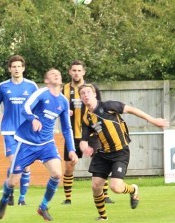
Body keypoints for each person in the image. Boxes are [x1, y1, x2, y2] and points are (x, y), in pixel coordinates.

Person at [78, 84, 169, 220]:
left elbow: (132, 110)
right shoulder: (87, 118)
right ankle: (103, 217)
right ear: (80, 98)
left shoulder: (108, 106)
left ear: (94, 94)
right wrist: (84, 147)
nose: (86, 95)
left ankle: (133, 190)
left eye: (88, 92)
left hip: (120, 152)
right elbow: (83, 139)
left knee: (116, 187)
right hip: (103, 154)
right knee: (96, 186)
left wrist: (153, 120)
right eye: (83, 93)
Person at [0, 68, 78, 221]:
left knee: (57, 174)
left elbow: (67, 128)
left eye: (58, 74)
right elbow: (25, 108)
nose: (56, 75)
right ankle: (4, 199)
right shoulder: (41, 93)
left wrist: (72, 149)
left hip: (47, 143)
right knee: (13, 181)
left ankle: (43, 207)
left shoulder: (63, 101)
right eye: (52, 74)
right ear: (46, 80)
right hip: (27, 143)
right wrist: (33, 119)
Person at [61, 60, 114, 205]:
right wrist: (64, 111)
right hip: (71, 135)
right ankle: (67, 199)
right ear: (70, 72)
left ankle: (105, 195)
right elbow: (57, 107)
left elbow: (100, 107)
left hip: (92, 134)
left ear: (83, 72)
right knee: (69, 166)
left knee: (100, 164)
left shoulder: (91, 88)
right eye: (74, 70)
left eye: (79, 70)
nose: (76, 73)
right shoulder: (64, 89)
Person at [0, 55, 38, 206]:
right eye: (13, 66)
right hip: (9, 131)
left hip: (26, 133)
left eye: (19, 66)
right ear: (10, 69)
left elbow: (39, 106)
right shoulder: (3, 86)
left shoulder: (31, 86)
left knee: (26, 166)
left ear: (23, 68)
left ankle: (22, 199)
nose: (16, 69)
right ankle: (10, 192)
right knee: (15, 163)